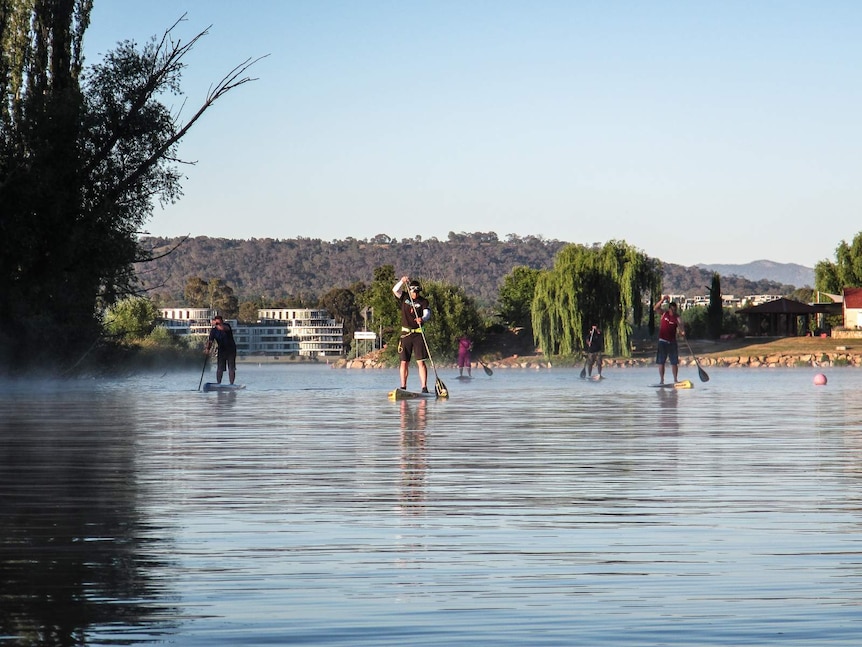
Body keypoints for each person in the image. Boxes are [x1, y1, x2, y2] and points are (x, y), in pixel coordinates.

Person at [393, 276, 431, 392]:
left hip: (418, 335)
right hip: (406, 334)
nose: (415, 294)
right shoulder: (404, 296)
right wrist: (401, 281)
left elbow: (427, 313)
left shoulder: (423, 301)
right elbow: (395, 290)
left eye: (417, 292)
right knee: (404, 362)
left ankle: (424, 388)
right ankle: (403, 387)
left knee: (421, 362)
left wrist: (422, 319)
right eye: (414, 292)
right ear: (410, 290)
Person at [654, 295, 685, 384]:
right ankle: (661, 380)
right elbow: (656, 308)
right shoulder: (664, 313)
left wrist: (682, 332)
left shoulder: (677, 317)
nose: (674, 311)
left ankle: (675, 380)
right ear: (669, 309)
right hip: (662, 342)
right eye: (672, 310)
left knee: (674, 362)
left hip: (672, 342)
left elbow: (681, 325)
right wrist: (662, 300)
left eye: (675, 310)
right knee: (661, 362)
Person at [204, 314, 237, 385]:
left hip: (231, 350)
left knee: (231, 368)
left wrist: (217, 324)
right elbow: (210, 341)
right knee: (220, 368)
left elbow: (222, 328)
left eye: (218, 322)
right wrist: (207, 349)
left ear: (222, 322)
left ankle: (232, 384)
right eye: (216, 322)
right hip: (222, 350)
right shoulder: (213, 331)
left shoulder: (227, 326)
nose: (217, 324)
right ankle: (218, 383)